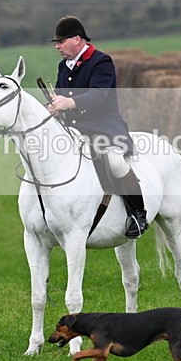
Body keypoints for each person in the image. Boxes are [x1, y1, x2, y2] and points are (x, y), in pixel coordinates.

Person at [46, 15, 149, 239]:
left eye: (61, 41)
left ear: (76, 39)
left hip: (106, 126)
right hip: (76, 129)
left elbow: (100, 95)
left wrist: (69, 103)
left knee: (115, 162)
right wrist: (55, 107)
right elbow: (61, 96)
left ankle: (138, 214)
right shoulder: (63, 66)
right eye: (57, 43)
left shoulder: (101, 61)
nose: (57, 47)